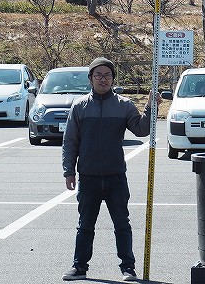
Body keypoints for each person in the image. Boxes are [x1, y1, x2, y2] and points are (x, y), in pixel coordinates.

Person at [61, 57, 160, 282]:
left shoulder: (124, 105)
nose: (102, 79)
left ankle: (128, 269)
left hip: (116, 177)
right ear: (90, 79)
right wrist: (69, 171)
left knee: (122, 225)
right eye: (98, 75)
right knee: (85, 226)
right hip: (88, 177)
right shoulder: (80, 106)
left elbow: (141, 130)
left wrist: (150, 107)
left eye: (107, 75)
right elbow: (70, 142)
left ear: (113, 79)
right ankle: (79, 268)